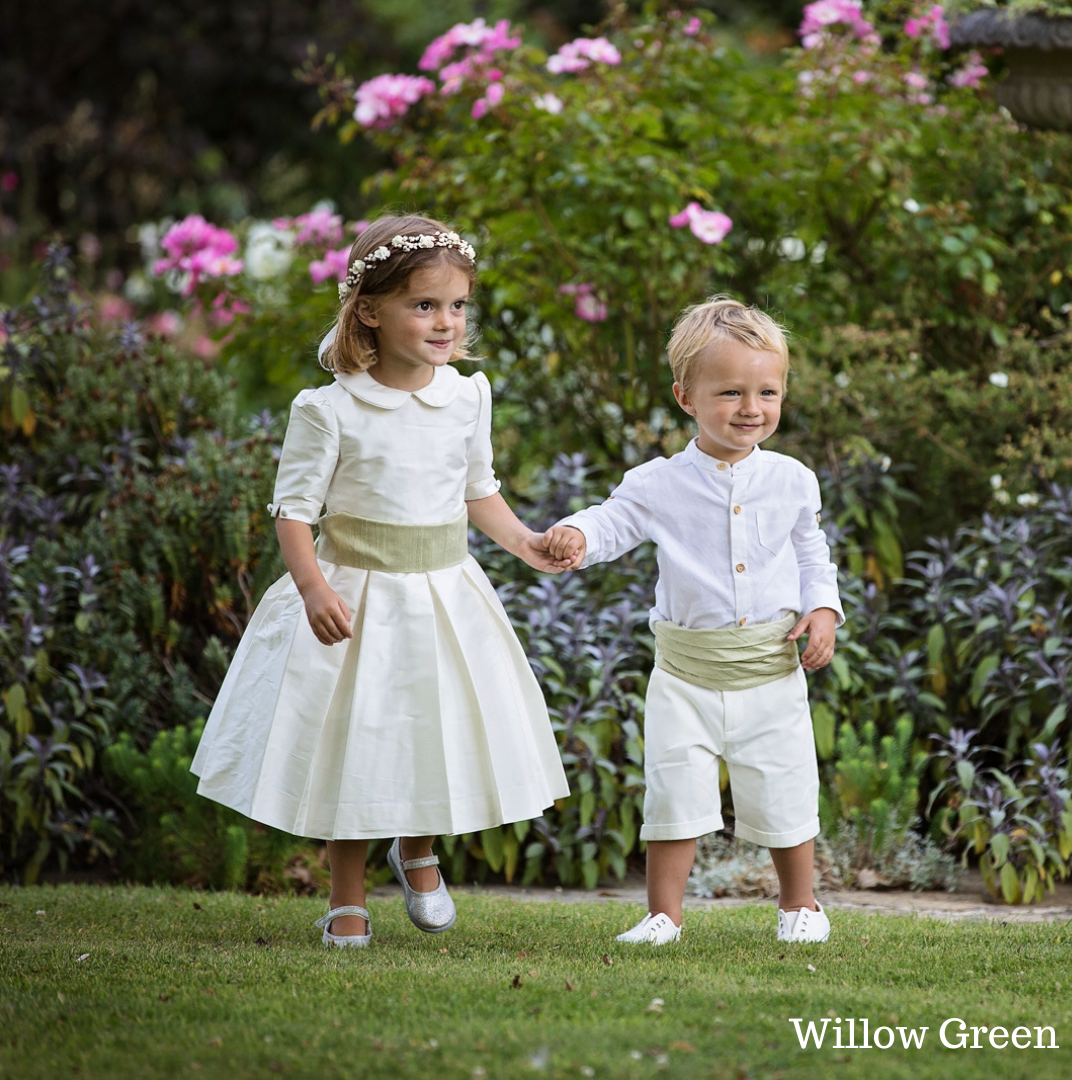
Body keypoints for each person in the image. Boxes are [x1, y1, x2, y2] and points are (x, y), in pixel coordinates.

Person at [192, 214, 570, 947]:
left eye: (457, 305)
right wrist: (311, 589)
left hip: (441, 592)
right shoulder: (329, 408)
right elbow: (295, 513)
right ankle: (346, 896)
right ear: (369, 308)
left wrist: (525, 543)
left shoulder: (467, 397)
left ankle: (418, 849)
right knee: (352, 741)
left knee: (433, 725)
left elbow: (478, 490)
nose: (445, 322)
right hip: (355, 592)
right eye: (424, 304)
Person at [543, 297, 843, 946]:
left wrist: (823, 609)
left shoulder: (792, 480)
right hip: (684, 677)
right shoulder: (658, 483)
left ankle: (801, 906)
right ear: (686, 397)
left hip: (769, 670)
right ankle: (663, 916)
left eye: (768, 391)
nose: (751, 408)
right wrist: (575, 534)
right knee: (673, 791)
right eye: (730, 391)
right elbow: (612, 521)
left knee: (785, 788)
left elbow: (810, 553)